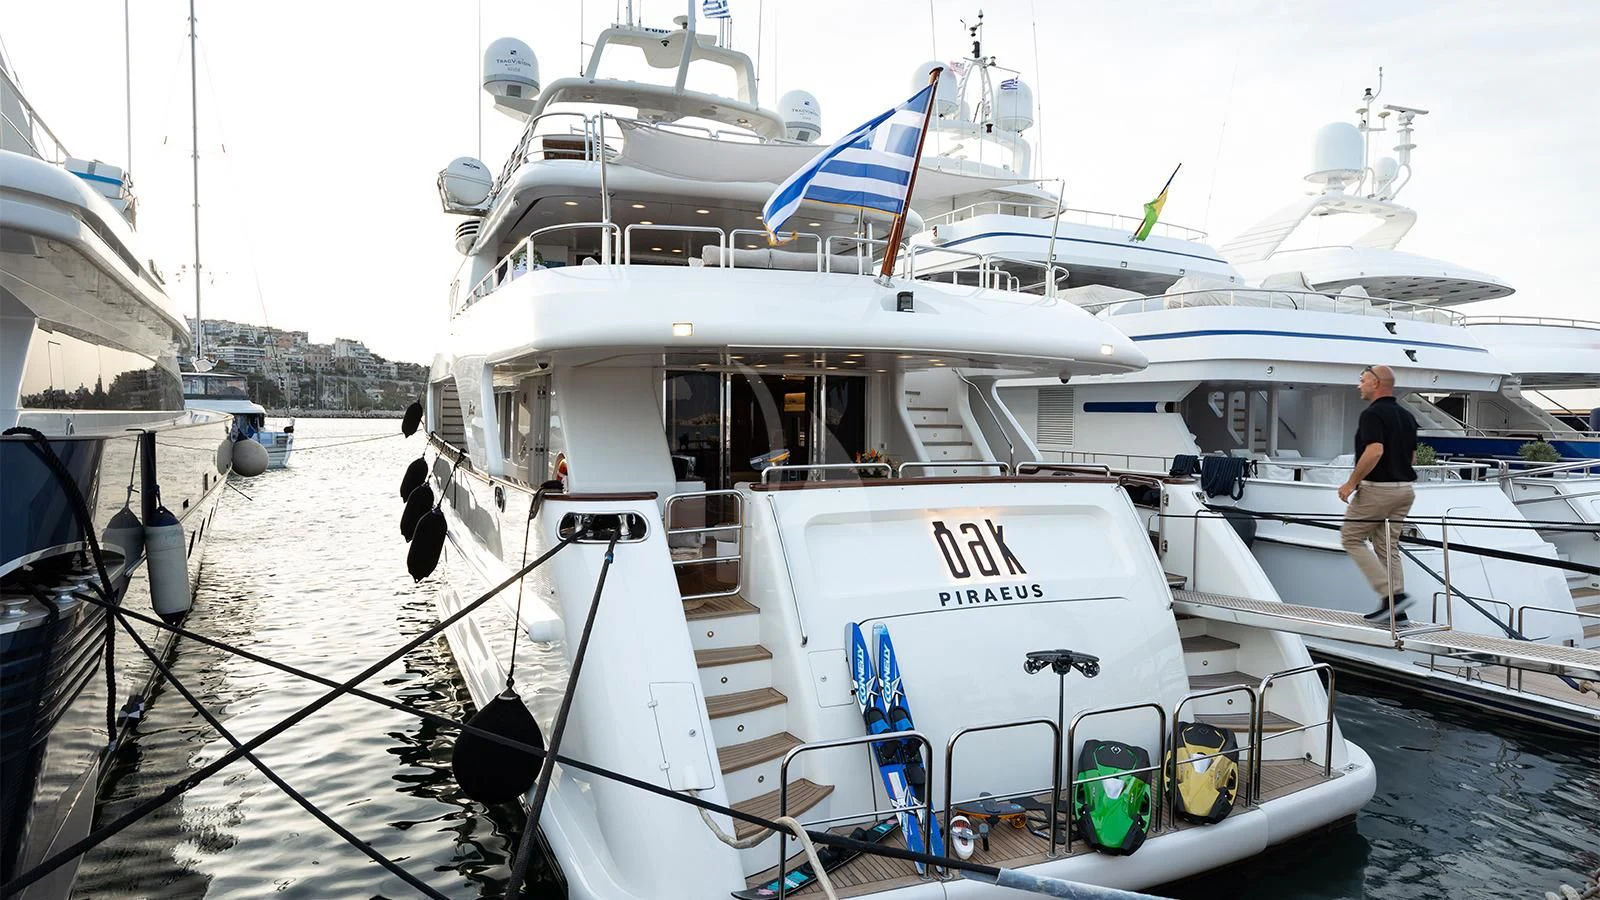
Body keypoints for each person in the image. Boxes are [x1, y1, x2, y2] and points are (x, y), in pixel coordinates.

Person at [1338, 364, 1418, 622]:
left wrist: (1351, 483)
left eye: (1362, 380)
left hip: (1378, 491)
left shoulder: (1372, 415)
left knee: (1350, 538)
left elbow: (1375, 451)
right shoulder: (1407, 416)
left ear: (1376, 383)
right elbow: (1412, 456)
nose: (1358, 385)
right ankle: (1396, 611)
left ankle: (1393, 595)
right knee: (1386, 546)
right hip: (1404, 490)